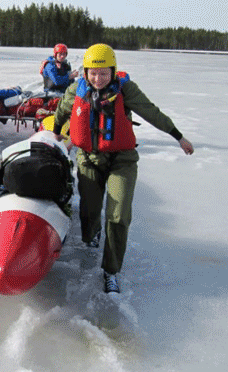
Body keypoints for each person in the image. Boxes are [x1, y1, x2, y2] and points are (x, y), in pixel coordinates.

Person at [52, 43, 194, 293]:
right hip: (88, 158)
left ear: (113, 71)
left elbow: (152, 112)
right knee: (89, 209)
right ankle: (92, 234)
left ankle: (111, 271)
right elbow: (63, 109)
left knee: (118, 217)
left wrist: (178, 136)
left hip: (122, 160)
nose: (98, 79)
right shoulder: (76, 88)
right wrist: (55, 132)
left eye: (104, 73)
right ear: (85, 72)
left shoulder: (125, 90)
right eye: (93, 73)